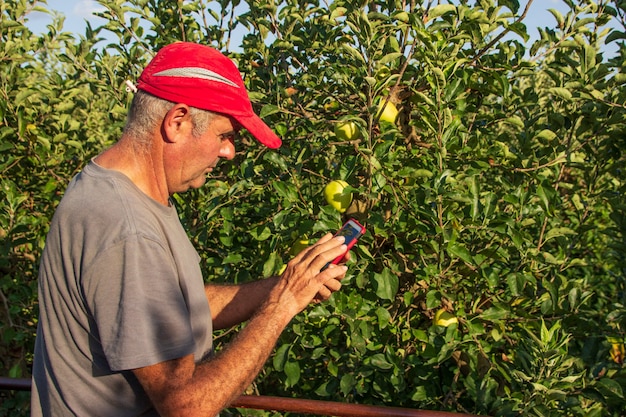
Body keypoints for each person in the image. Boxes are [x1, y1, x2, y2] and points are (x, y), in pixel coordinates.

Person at [31, 42, 350, 417]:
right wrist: (281, 308)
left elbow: (175, 308)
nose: (230, 152)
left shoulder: (120, 192)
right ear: (177, 121)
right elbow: (186, 407)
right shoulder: (128, 230)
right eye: (224, 135)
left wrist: (287, 286)